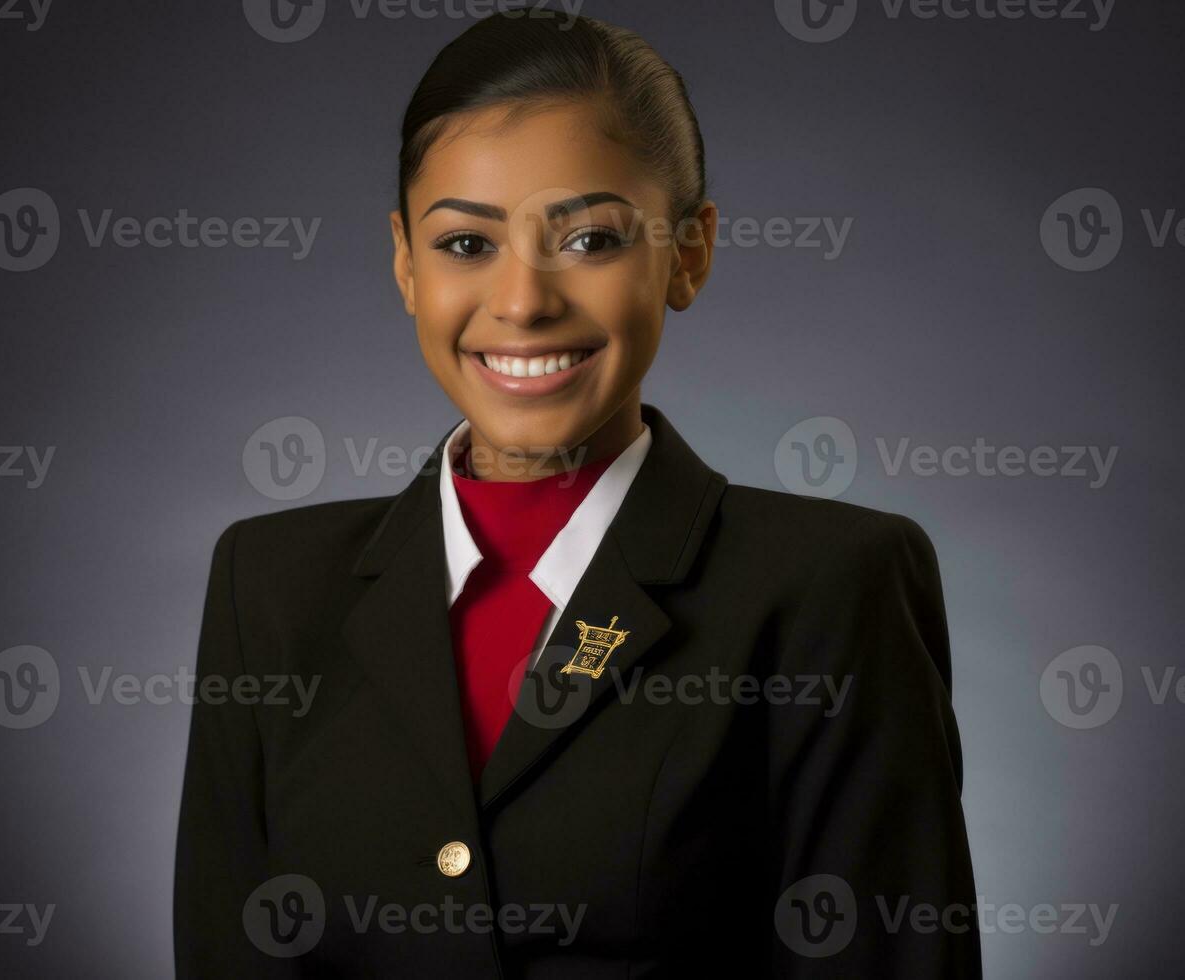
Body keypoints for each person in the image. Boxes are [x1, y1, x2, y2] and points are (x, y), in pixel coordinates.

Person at [174, 7, 981, 977]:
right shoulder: (267, 586)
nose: (522, 301)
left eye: (591, 238)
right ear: (403, 262)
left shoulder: (828, 585)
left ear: (686, 253)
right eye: (465, 245)